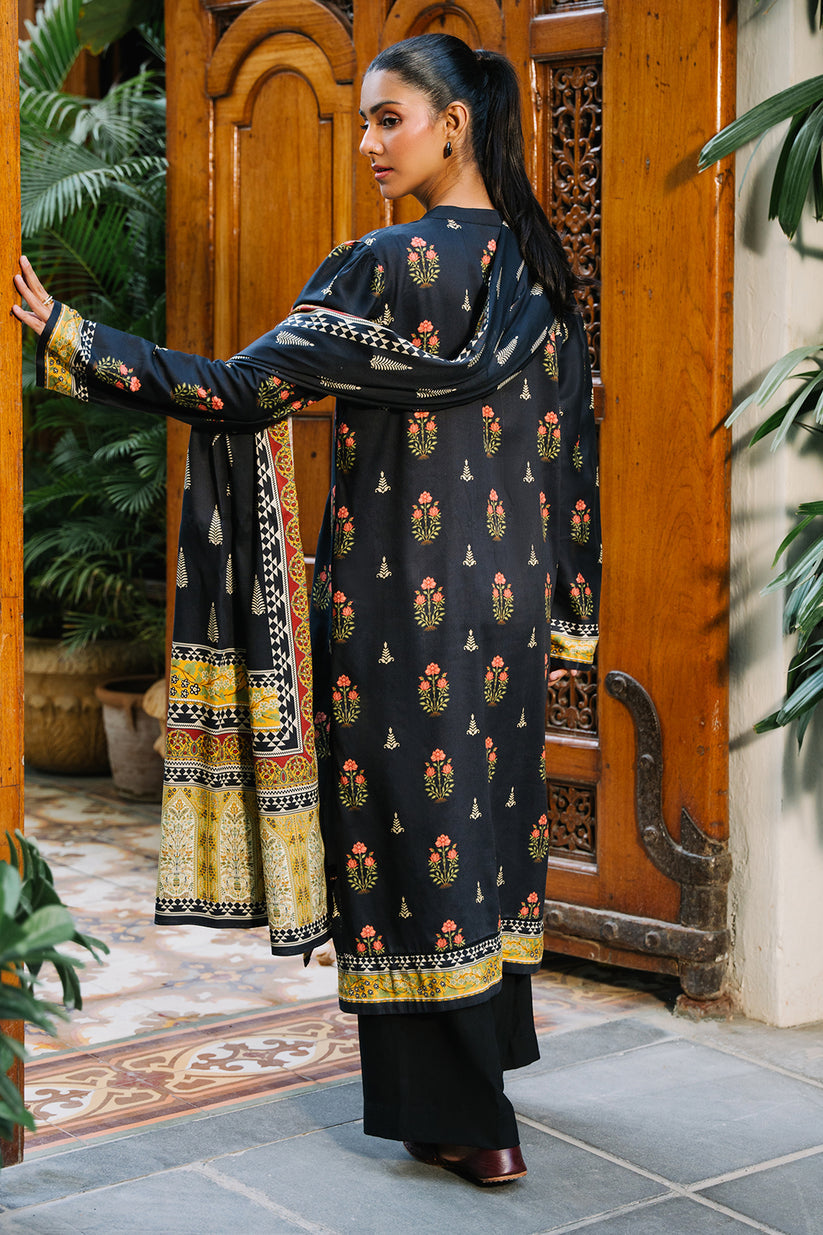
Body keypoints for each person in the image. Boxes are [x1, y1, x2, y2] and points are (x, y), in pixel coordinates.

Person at [13, 33, 600, 1186]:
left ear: (454, 124)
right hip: (506, 610)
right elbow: (574, 456)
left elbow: (236, 392)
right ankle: (488, 1060)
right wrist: (573, 606)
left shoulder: (382, 265)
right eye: (369, 120)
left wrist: (72, 338)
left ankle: (474, 1122)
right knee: (476, 827)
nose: (371, 143)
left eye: (389, 118)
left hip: (395, 607)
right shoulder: (540, 268)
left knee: (402, 842)